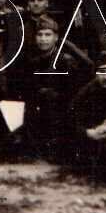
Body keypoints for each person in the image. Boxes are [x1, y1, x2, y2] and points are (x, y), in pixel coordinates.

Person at [18, 16, 82, 162]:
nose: (43, 39)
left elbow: (74, 93)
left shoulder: (66, 61)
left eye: (48, 35)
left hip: (62, 111)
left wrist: (53, 95)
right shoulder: (33, 61)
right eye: (40, 35)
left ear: (56, 38)